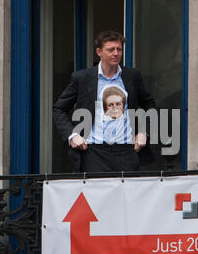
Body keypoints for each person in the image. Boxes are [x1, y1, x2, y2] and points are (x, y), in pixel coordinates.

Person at [53, 30, 156, 173]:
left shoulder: (132, 76)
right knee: (94, 195)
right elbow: (59, 109)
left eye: (119, 49)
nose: (116, 53)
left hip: (126, 150)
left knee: (127, 195)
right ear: (99, 52)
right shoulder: (82, 78)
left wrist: (144, 132)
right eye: (110, 50)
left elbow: (149, 105)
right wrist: (72, 135)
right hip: (93, 152)